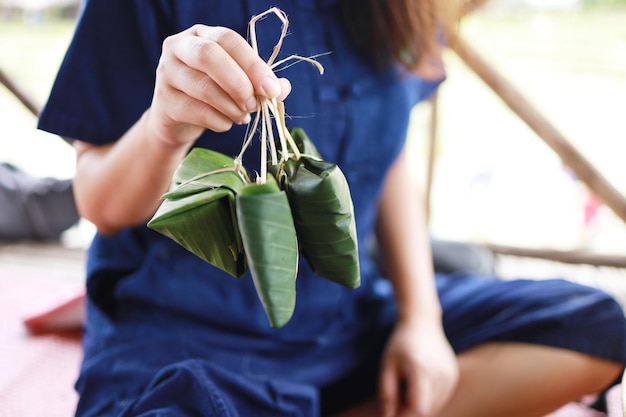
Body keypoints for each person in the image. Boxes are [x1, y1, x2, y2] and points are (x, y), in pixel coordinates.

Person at [37, 1, 626, 416]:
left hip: (352, 318)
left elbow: (386, 153)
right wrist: (167, 127)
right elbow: (97, 199)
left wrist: (420, 322)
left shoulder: (403, 7)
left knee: (596, 326)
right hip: (187, 339)